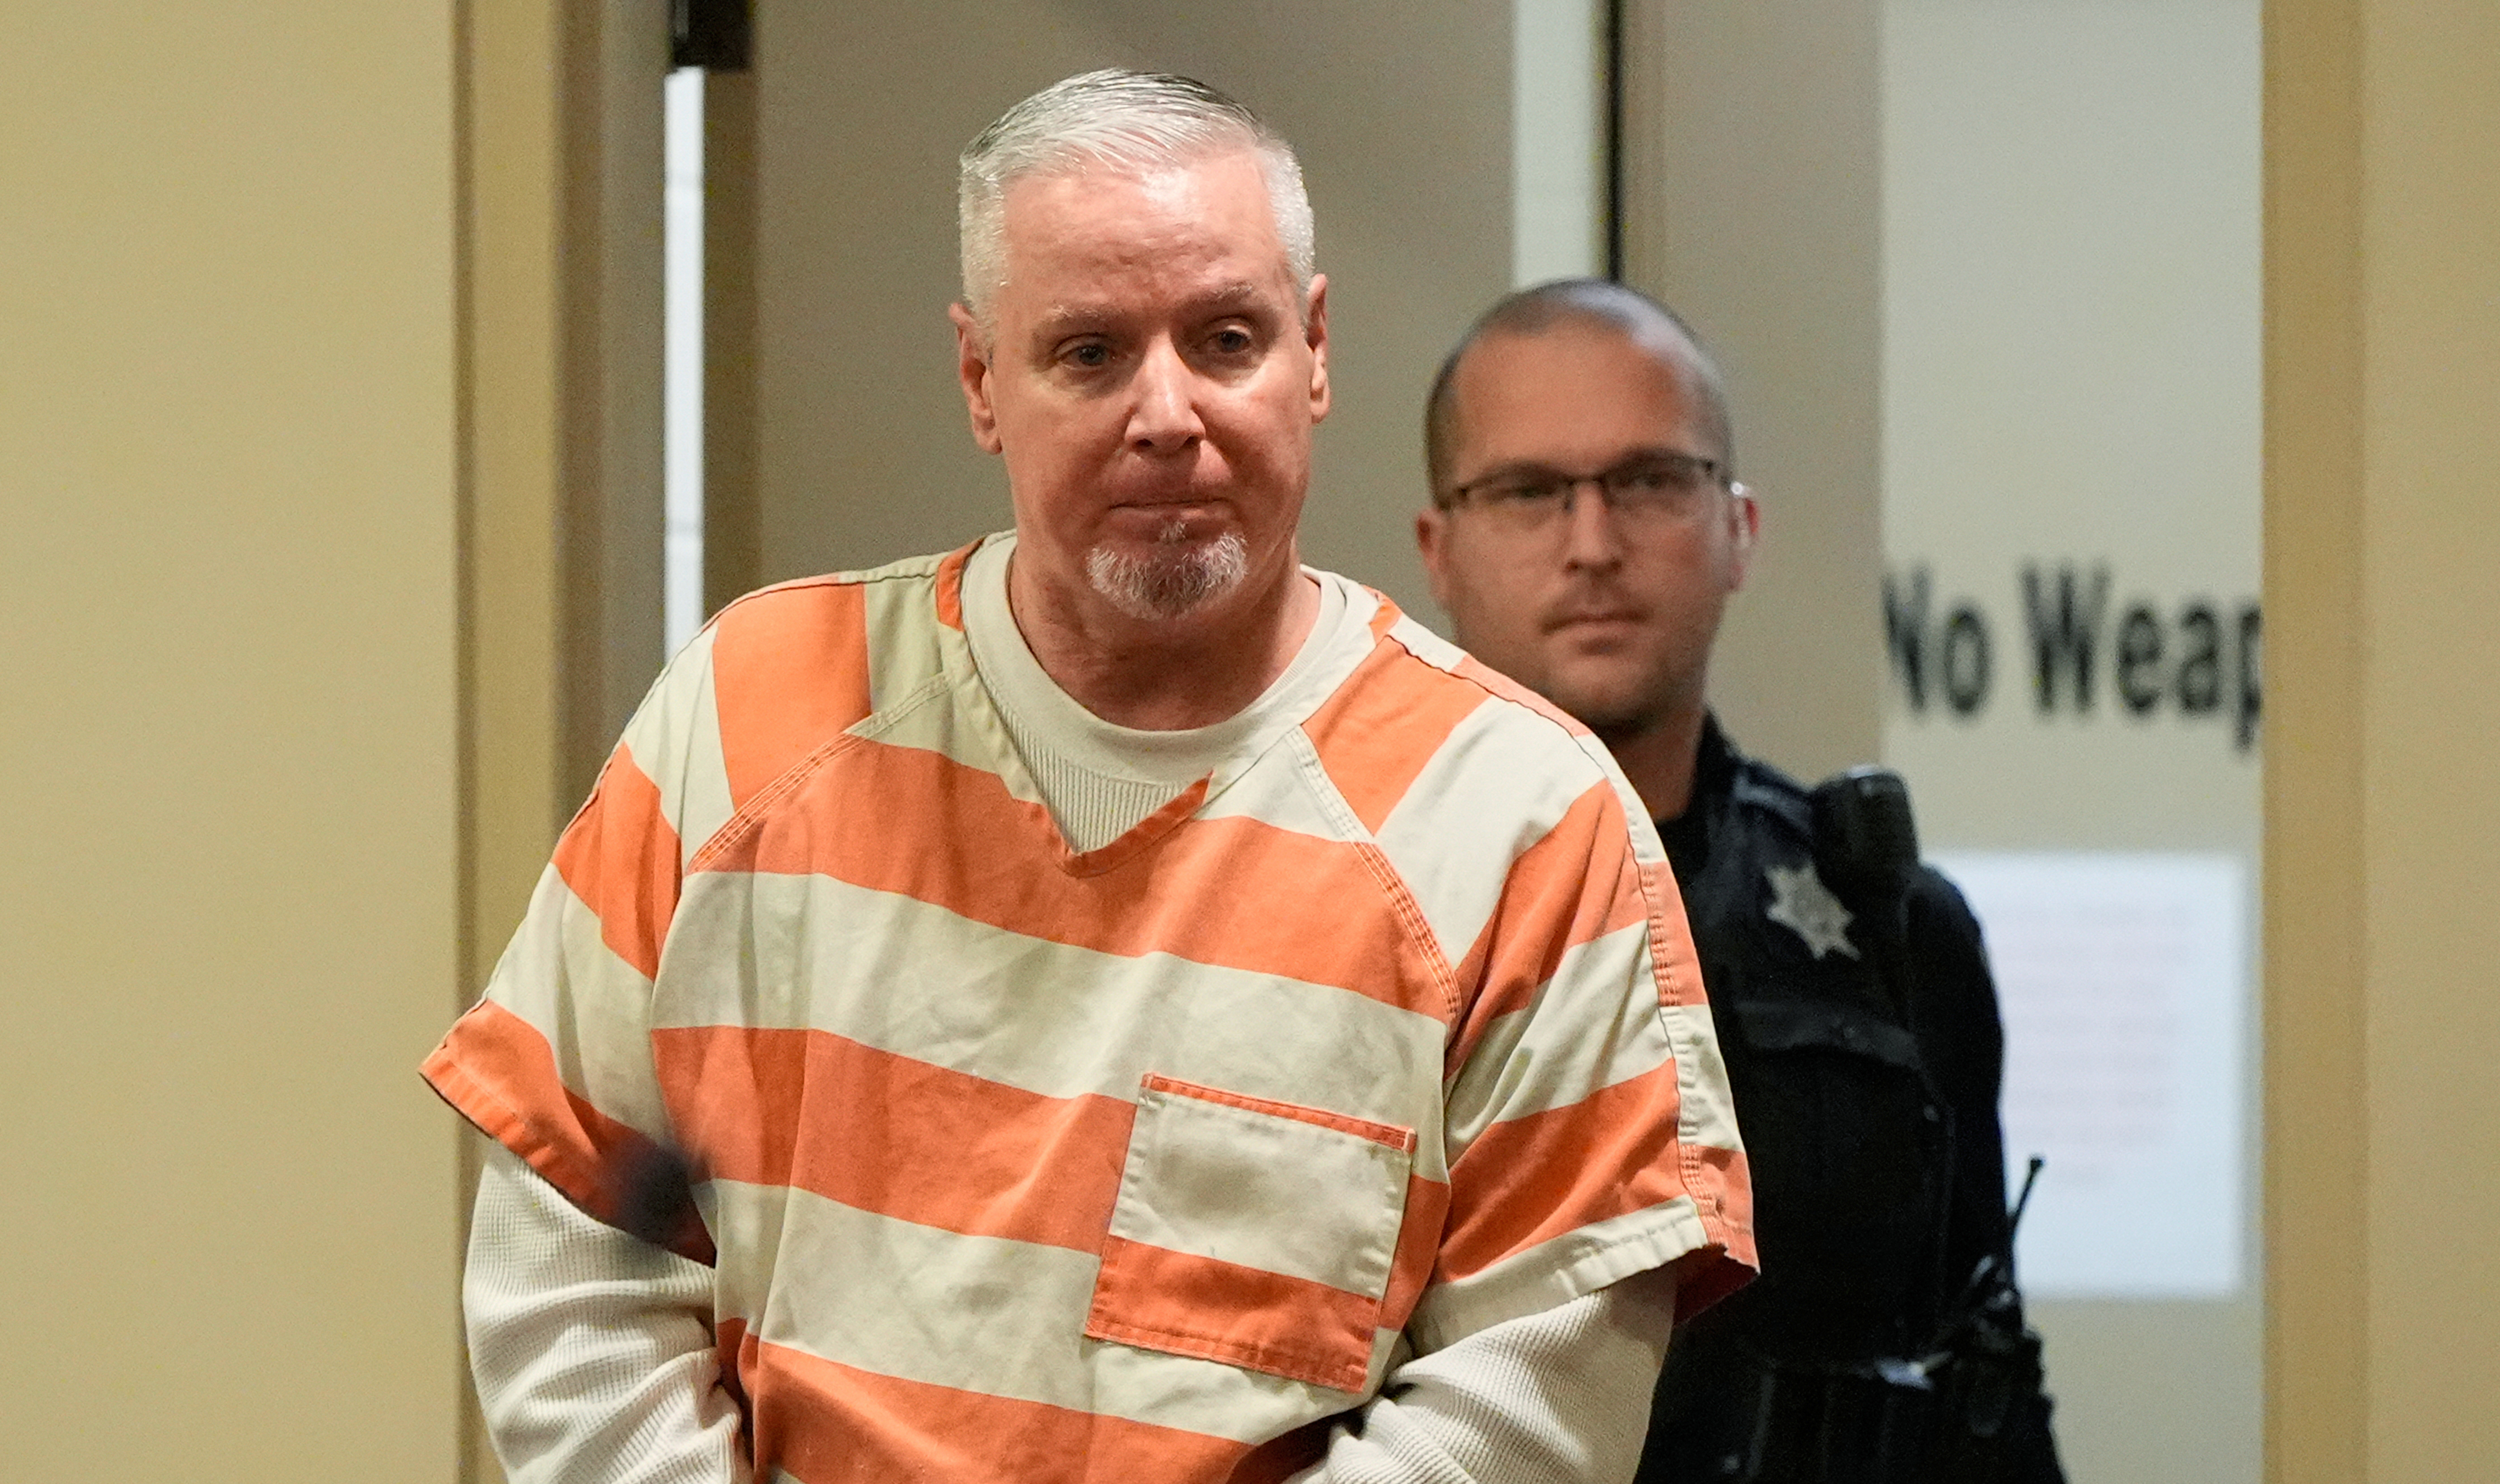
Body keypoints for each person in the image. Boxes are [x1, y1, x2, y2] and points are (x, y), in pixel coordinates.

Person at [421, 74, 1754, 1484]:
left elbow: (1531, 1409)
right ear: (981, 384)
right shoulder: (752, 714)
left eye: (1225, 338)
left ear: (1314, 351)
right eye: (1090, 353)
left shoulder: (1524, 824)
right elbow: (575, 1252)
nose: (1166, 412)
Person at [1414, 279, 2065, 1483]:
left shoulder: (1888, 923)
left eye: (1652, 481)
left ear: (1740, 529)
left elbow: (1986, 1383)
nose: (1594, 543)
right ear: (1438, 550)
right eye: (1529, 492)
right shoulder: (1350, 907)